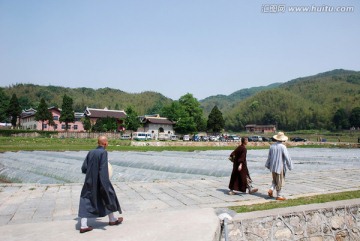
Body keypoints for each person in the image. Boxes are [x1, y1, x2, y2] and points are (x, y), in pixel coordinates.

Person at [78, 136, 123, 233]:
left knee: (86, 200)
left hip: (89, 181)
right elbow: (103, 170)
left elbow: (84, 168)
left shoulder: (91, 152)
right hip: (101, 181)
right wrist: (105, 185)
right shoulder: (103, 152)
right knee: (108, 196)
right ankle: (112, 220)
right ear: (105, 143)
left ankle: (83, 225)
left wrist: (91, 174)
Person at [265, 132, 293, 201]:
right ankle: (279, 195)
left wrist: (268, 165)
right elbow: (287, 157)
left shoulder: (272, 146)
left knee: (275, 180)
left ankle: (271, 189)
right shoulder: (283, 147)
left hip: (273, 166)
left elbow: (269, 157)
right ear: (283, 139)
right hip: (280, 166)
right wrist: (290, 166)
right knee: (279, 181)